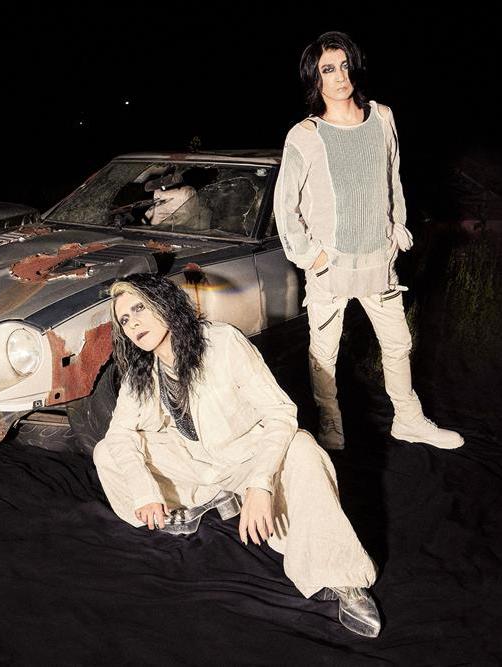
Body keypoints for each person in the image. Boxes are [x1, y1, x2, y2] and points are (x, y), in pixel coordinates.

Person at [93, 273, 381, 637]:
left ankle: (343, 578)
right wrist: (145, 491)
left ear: (165, 304)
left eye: (139, 308)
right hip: (198, 462)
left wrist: (261, 484)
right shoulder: (142, 372)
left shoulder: (222, 342)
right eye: (124, 319)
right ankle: (201, 501)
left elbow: (280, 414)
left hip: (249, 457)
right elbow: (120, 434)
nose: (133, 323)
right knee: (107, 452)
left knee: (304, 449)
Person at [273, 31, 462, 450]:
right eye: (328, 69)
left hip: (379, 261)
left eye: (344, 66)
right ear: (315, 78)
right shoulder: (305, 134)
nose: (340, 77)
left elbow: (392, 178)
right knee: (324, 352)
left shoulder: (382, 117)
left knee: (398, 344)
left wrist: (395, 228)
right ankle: (331, 421)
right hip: (331, 267)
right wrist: (311, 256)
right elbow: (286, 207)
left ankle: (408, 420)